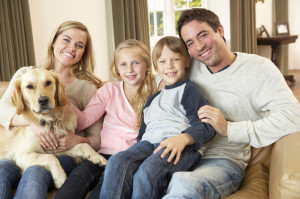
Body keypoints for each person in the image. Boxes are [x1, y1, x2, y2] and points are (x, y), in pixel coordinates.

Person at [159, 8, 300, 198]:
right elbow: (155, 78)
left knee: (184, 184)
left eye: (203, 35)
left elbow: (293, 117)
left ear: (220, 30)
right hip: (180, 154)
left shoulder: (258, 68)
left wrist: (229, 129)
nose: (199, 47)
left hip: (221, 161)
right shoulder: (187, 67)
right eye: (190, 43)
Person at [99, 36, 216, 199]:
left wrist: (183, 138)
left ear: (187, 61)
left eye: (175, 59)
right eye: (162, 62)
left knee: (146, 173)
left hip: (177, 146)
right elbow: (144, 132)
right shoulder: (153, 98)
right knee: (117, 161)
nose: (169, 66)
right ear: (155, 67)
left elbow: (206, 126)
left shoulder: (189, 90)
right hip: (148, 143)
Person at [0, 21, 103, 199]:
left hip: (62, 151)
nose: (72, 48)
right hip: (15, 151)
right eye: (66, 40)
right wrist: (34, 124)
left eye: (79, 45)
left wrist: (77, 139)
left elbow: (97, 139)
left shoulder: (88, 88)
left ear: (83, 52)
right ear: (53, 42)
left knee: (35, 173)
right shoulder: (25, 74)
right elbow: (2, 110)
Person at [55, 39, 157, 199]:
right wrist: (63, 98)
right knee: (74, 182)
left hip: (128, 160)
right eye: (123, 64)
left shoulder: (155, 92)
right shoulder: (109, 90)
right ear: (116, 69)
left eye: (136, 63)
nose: (129, 69)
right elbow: (83, 120)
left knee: (102, 191)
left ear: (148, 66)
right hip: (102, 155)